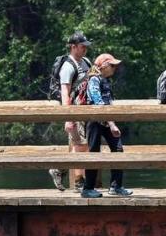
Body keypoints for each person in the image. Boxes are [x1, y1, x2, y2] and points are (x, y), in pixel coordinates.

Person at [80, 54, 133, 198]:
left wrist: (111, 122)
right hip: (94, 121)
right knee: (94, 154)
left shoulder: (106, 80)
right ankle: (87, 188)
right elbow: (99, 103)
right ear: (103, 66)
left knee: (118, 149)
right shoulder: (94, 80)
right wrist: (112, 124)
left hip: (107, 120)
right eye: (112, 65)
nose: (115, 68)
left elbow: (108, 103)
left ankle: (116, 186)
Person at [52, 31, 92, 192]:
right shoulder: (68, 67)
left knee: (82, 145)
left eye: (86, 47)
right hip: (74, 110)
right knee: (80, 144)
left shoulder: (86, 62)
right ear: (73, 47)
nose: (85, 50)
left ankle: (59, 169)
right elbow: (65, 93)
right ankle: (78, 182)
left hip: (85, 109)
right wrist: (69, 118)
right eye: (82, 47)